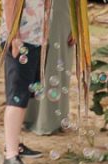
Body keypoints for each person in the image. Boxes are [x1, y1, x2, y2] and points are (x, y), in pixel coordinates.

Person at [1, 0, 47, 164]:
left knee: (24, 96)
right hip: (21, 40)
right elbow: (9, 2)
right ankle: (10, 155)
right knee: (17, 98)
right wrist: (14, 37)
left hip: (35, 38)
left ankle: (14, 144)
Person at [23, 0, 73, 135]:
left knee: (56, 61)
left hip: (61, 11)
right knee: (35, 60)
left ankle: (50, 120)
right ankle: (29, 116)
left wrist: (78, 23)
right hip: (33, 10)